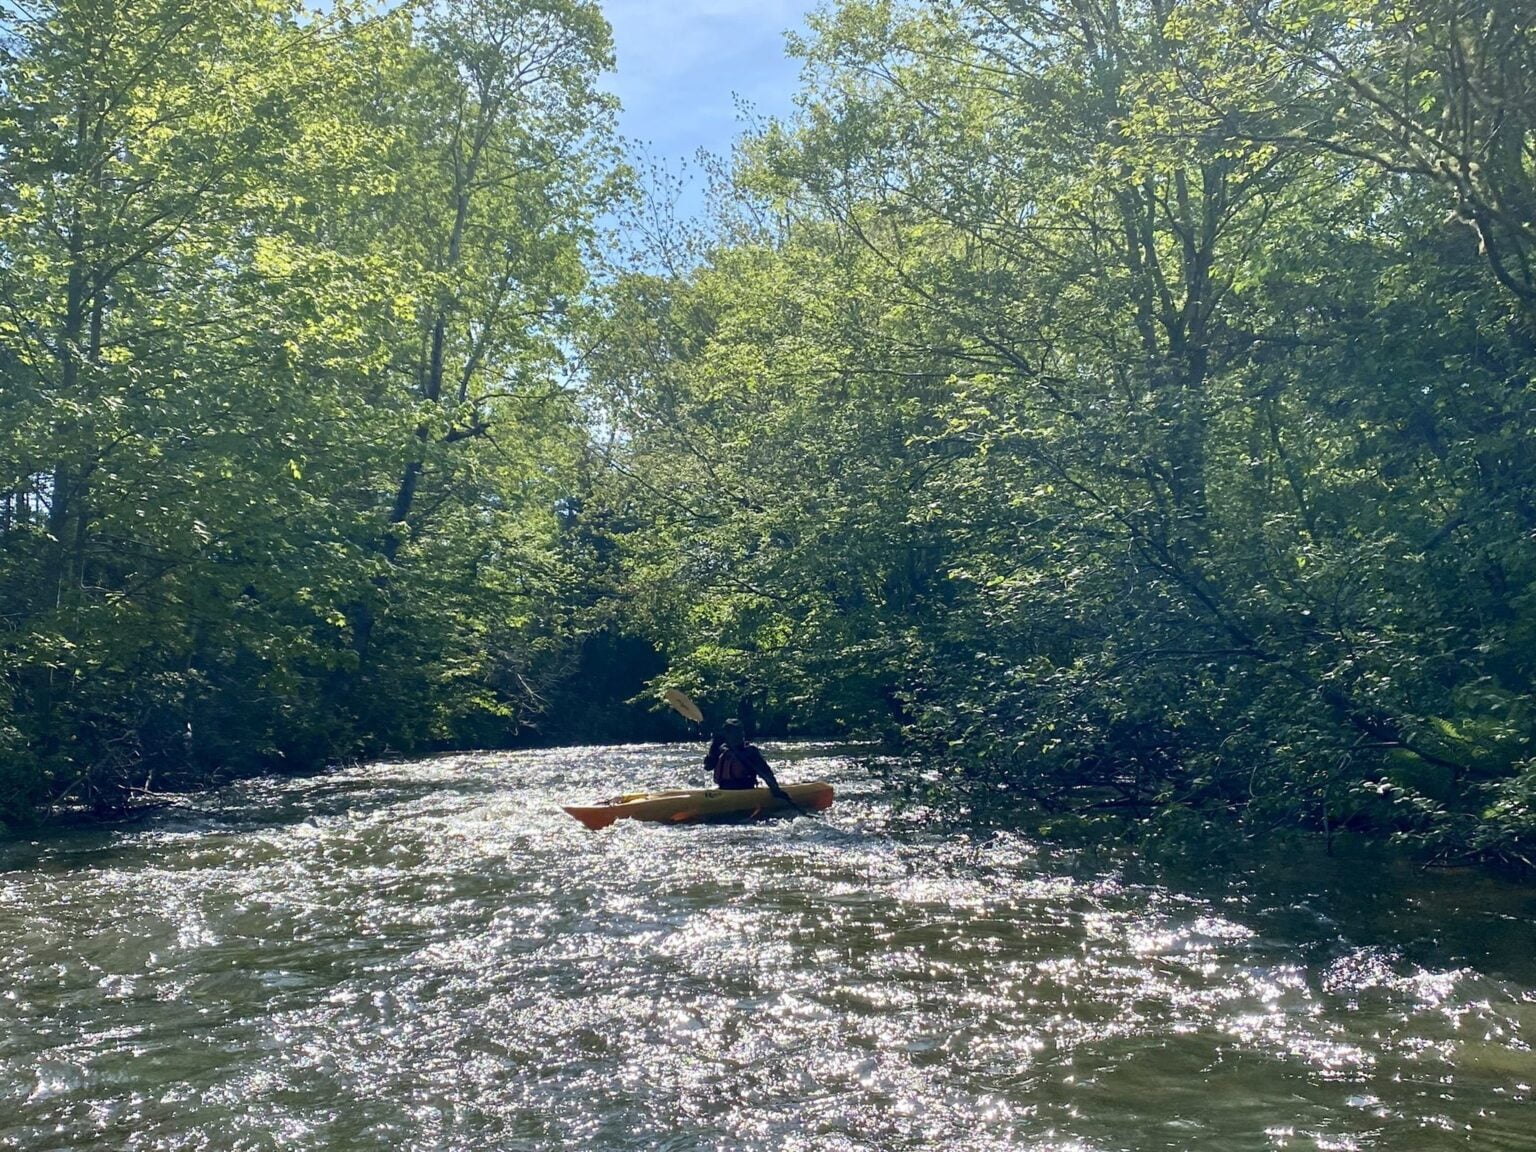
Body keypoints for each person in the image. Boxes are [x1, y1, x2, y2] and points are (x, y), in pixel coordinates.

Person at [705, 719, 795, 805]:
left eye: (738, 733)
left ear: (742, 734)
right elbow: (708, 767)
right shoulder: (721, 749)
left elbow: (766, 773)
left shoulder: (750, 752)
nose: (737, 736)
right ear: (727, 735)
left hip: (745, 791)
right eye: (732, 733)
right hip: (723, 790)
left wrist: (776, 790)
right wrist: (713, 747)